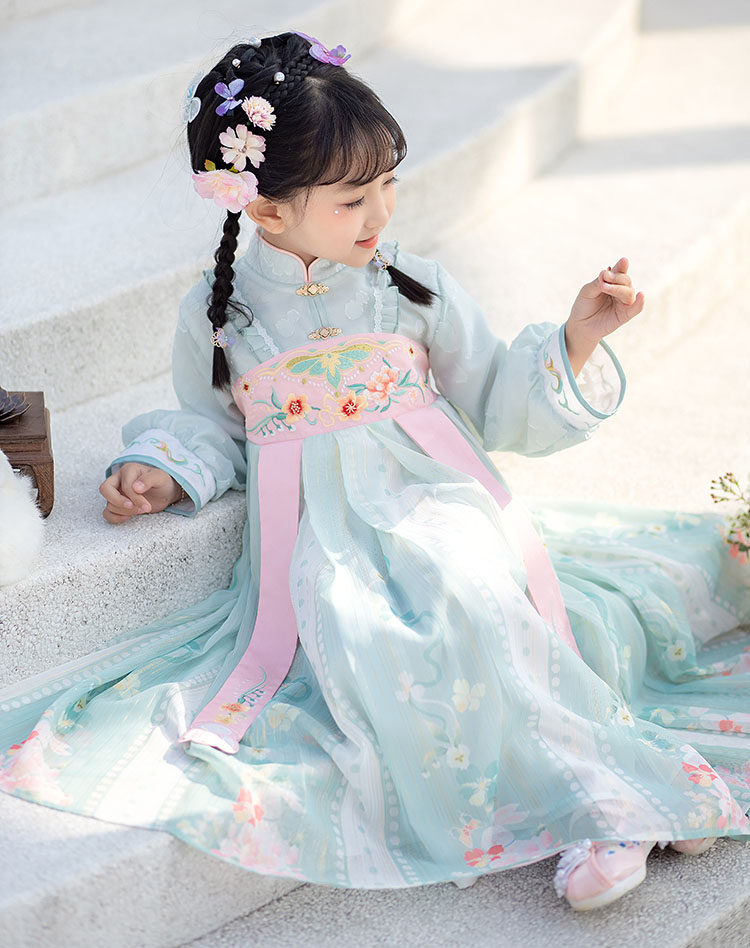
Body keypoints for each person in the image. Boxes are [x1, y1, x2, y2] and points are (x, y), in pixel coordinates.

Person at [1, 31, 749, 913]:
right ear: (265, 209)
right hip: (324, 530)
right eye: (354, 198)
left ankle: (611, 799)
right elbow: (213, 426)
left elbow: (498, 396)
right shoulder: (224, 313)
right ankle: (623, 794)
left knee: (466, 584)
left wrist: (578, 337)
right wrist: (162, 471)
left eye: (389, 183)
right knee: (353, 620)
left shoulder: (410, 286)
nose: (382, 213)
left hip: (439, 497)